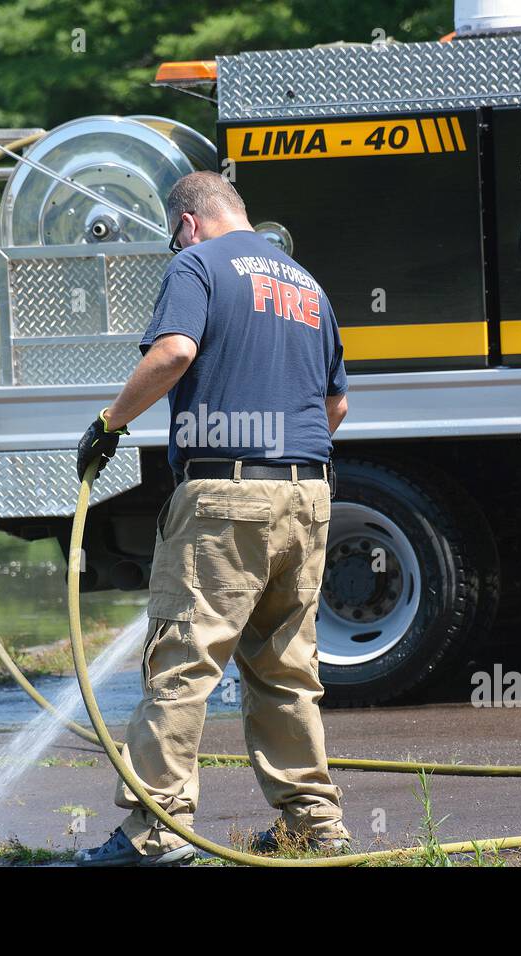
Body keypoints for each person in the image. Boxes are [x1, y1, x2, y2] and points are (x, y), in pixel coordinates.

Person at [73, 171, 350, 865]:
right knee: (286, 670)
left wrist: (110, 423)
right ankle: (312, 826)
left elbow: (173, 352)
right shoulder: (306, 282)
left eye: (175, 235)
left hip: (225, 497)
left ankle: (156, 833)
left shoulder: (196, 264)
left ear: (189, 224)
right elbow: (335, 405)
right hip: (308, 496)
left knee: (181, 666)